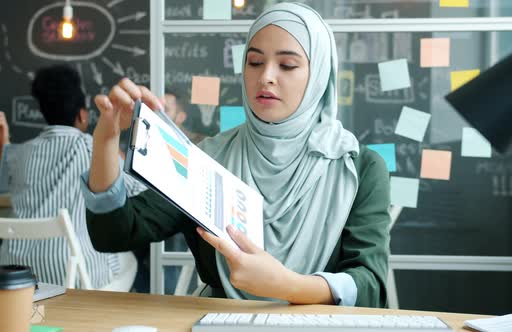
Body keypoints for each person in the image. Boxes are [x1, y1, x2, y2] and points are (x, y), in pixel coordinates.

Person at [83, 3, 390, 306]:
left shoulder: (358, 167)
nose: (266, 76)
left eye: (287, 65)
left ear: (319, 76)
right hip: (221, 323)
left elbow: (371, 287)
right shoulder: (208, 160)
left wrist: (288, 286)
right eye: (254, 62)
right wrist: (107, 139)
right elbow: (115, 233)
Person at [0, 64, 144, 289]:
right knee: (128, 260)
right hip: (73, 273)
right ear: (82, 115)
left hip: (15, 271)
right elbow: (138, 189)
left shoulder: (18, 153)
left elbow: (3, 187)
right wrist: (113, 146)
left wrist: (3, 142)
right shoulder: (92, 148)